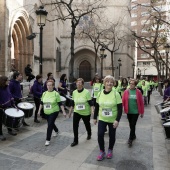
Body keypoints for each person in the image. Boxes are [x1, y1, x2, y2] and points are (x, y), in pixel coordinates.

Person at [93, 75, 122, 161]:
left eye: (111, 82)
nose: (109, 83)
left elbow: (120, 108)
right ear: (104, 83)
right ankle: (102, 151)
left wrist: (117, 120)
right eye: (107, 81)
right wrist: (95, 117)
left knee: (112, 135)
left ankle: (110, 150)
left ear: (113, 84)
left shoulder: (116, 94)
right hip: (102, 118)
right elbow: (97, 106)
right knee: (100, 134)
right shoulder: (100, 93)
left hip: (112, 119)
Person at [38, 79, 66, 146]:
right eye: (48, 85)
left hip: (54, 111)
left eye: (50, 85)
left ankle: (48, 139)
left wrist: (64, 111)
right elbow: (41, 103)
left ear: (53, 86)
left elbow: (60, 104)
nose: (49, 86)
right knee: (51, 123)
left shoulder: (56, 94)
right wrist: (39, 111)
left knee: (49, 125)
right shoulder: (44, 93)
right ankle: (56, 130)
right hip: (46, 112)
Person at [68, 78, 94, 147]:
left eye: (80, 82)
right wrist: (70, 112)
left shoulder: (86, 92)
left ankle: (89, 133)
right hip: (77, 111)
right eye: (77, 82)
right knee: (75, 126)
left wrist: (92, 111)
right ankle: (75, 140)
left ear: (82, 84)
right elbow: (72, 103)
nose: (78, 84)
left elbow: (90, 103)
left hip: (85, 112)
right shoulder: (74, 92)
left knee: (87, 124)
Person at [122, 79, 144, 147]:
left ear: (135, 85)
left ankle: (130, 139)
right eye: (130, 83)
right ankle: (133, 135)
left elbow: (141, 102)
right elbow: (123, 100)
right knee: (130, 125)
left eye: (133, 84)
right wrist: (121, 108)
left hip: (136, 112)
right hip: (129, 111)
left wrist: (142, 112)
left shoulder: (138, 92)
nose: (131, 85)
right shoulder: (126, 92)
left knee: (133, 124)